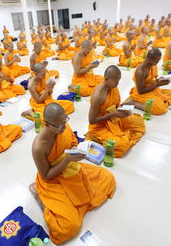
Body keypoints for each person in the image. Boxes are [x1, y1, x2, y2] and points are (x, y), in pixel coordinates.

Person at [30, 103, 116, 244]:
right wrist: (67, 160)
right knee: (68, 227)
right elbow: (46, 175)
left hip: (71, 169)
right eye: (59, 125)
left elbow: (72, 143)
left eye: (65, 121)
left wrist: (77, 151)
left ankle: (74, 206)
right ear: (46, 124)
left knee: (108, 178)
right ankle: (39, 194)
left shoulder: (64, 127)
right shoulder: (39, 146)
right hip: (53, 180)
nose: (64, 127)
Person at [86, 65, 146, 157]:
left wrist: (123, 108)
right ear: (106, 79)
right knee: (123, 145)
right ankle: (95, 137)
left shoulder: (113, 87)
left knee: (139, 122)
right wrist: (111, 114)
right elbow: (92, 120)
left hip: (114, 118)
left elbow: (115, 105)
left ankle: (120, 134)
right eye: (116, 81)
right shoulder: (98, 96)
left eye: (118, 81)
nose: (117, 84)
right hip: (100, 126)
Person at [129, 48, 171, 115]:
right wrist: (157, 84)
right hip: (142, 94)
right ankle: (135, 103)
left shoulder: (153, 65)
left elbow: (153, 79)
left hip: (153, 90)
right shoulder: (140, 71)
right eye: (156, 61)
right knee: (160, 110)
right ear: (149, 59)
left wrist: (162, 80)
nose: (157, 63)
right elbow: (140, 91)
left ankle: (159, 101)